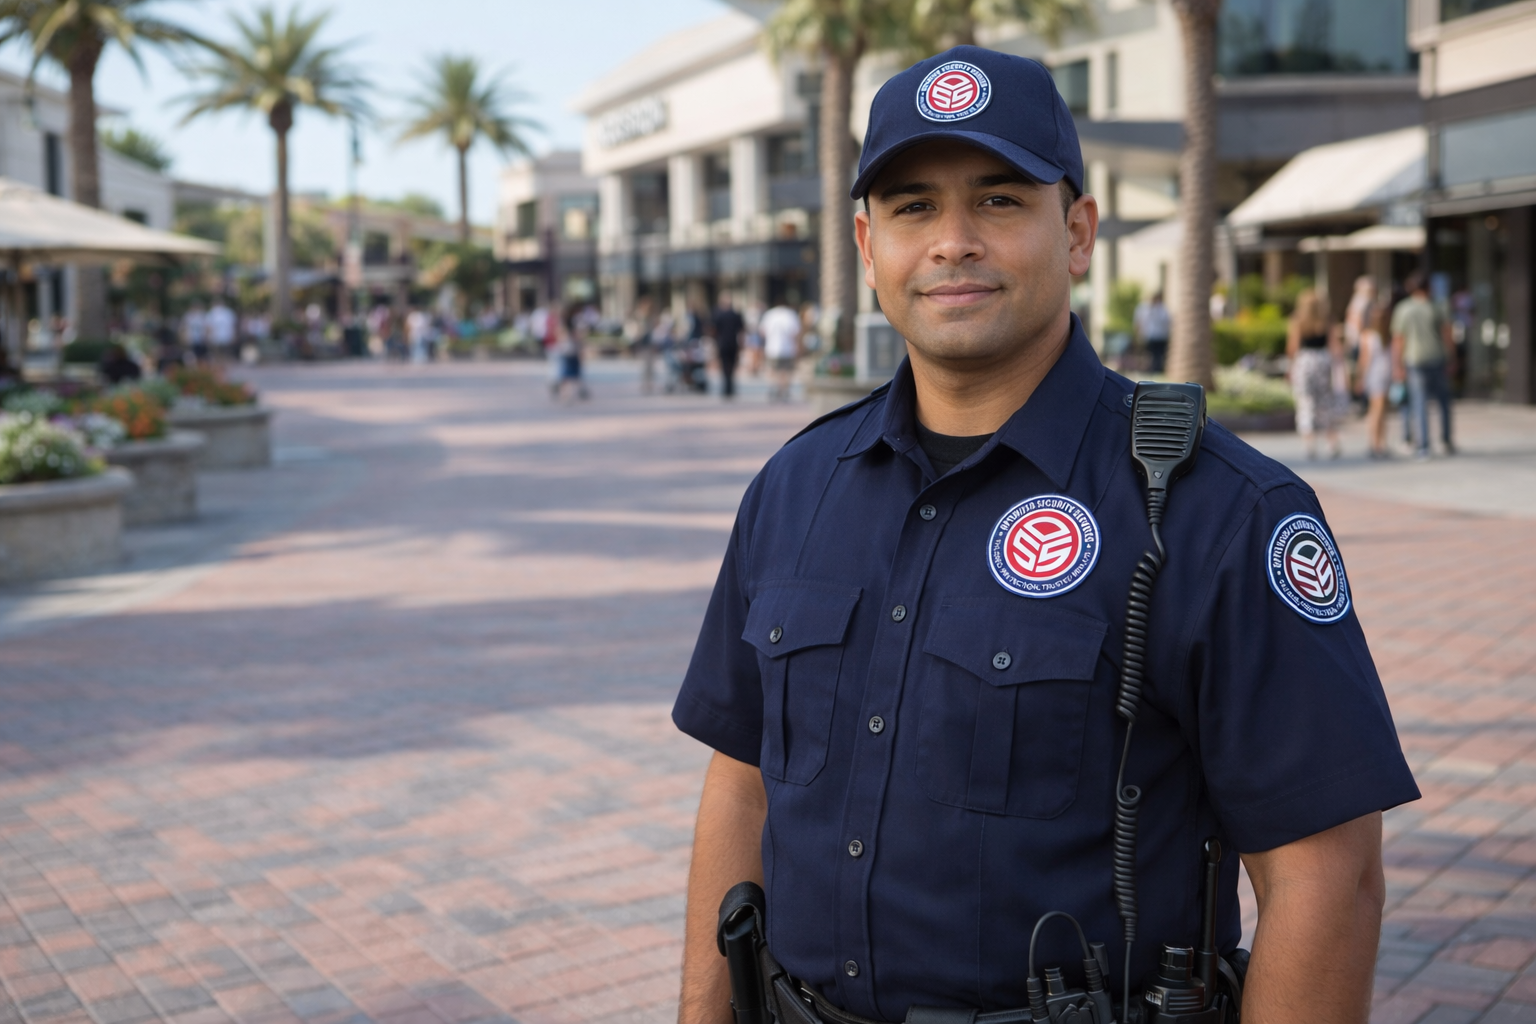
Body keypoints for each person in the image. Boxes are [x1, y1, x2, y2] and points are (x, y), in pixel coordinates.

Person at [673, 45, 1417, 1024]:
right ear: (866, 246)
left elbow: (1327, 876)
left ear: (1076, 233)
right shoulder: (795, 488)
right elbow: (742, 790)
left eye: (997, 200)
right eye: (911, 208)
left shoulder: (1218, 510)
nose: (951, 241)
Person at [1391, 272, 1457, 460]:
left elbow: (1398, 340)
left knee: (1419, 403)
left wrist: (1397, 365)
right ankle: (1445, 441)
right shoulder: (1438, 306)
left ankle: (1423, 446)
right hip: (1437, 356)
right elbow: (1447, 334)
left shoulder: (1403, 309)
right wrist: (1452, 357)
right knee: (1443, 401)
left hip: (1414, 359)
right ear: (1428, 287)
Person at [1286, 289, 1344, 460]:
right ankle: (1332, 442)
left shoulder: (1298, 320)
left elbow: (1292, 347)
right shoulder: (1326, 320)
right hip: (1322, 360)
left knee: (1305, 403)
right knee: (1325, 402)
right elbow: (1335, 346)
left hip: (1305, 361)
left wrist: (1290, 368)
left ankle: (1309, 443)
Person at [1356, 301, 1395, 459]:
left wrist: (1360, 377)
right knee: (1379, 410)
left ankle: (1377, 442)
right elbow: (1366, 359)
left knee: (1378, 411)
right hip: (1382, 374)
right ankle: (1377, 443)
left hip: (1379, 374)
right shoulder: (1379, 335)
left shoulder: (1374, 335)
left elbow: (1364, 360)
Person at [760, 302, 801, 402]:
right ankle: (784, 390)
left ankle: (773, 389)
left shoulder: (769, 314)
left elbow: (762, 331)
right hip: (787, 348)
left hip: (772, 348)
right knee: (786, 371)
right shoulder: (791, 315)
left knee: (772, 370)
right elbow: (796, 332)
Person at [712, 294, 745, 399]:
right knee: (732, 366)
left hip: (723, 343)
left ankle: (726, 388)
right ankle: (730, 388)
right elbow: (741, 330)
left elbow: (713, 330)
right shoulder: (736, 315)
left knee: (725, 366)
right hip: (733, 343)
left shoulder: (718, 315)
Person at [1133, 289, 1170, 373]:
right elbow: (1139, 322)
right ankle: (1147, 369)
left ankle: (1157, 370)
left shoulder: (1162, 308)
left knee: (1159, 355)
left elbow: (1166, 322)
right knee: (1148, 354)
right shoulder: (1143, 308)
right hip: (1148, 335)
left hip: (1160, 336)